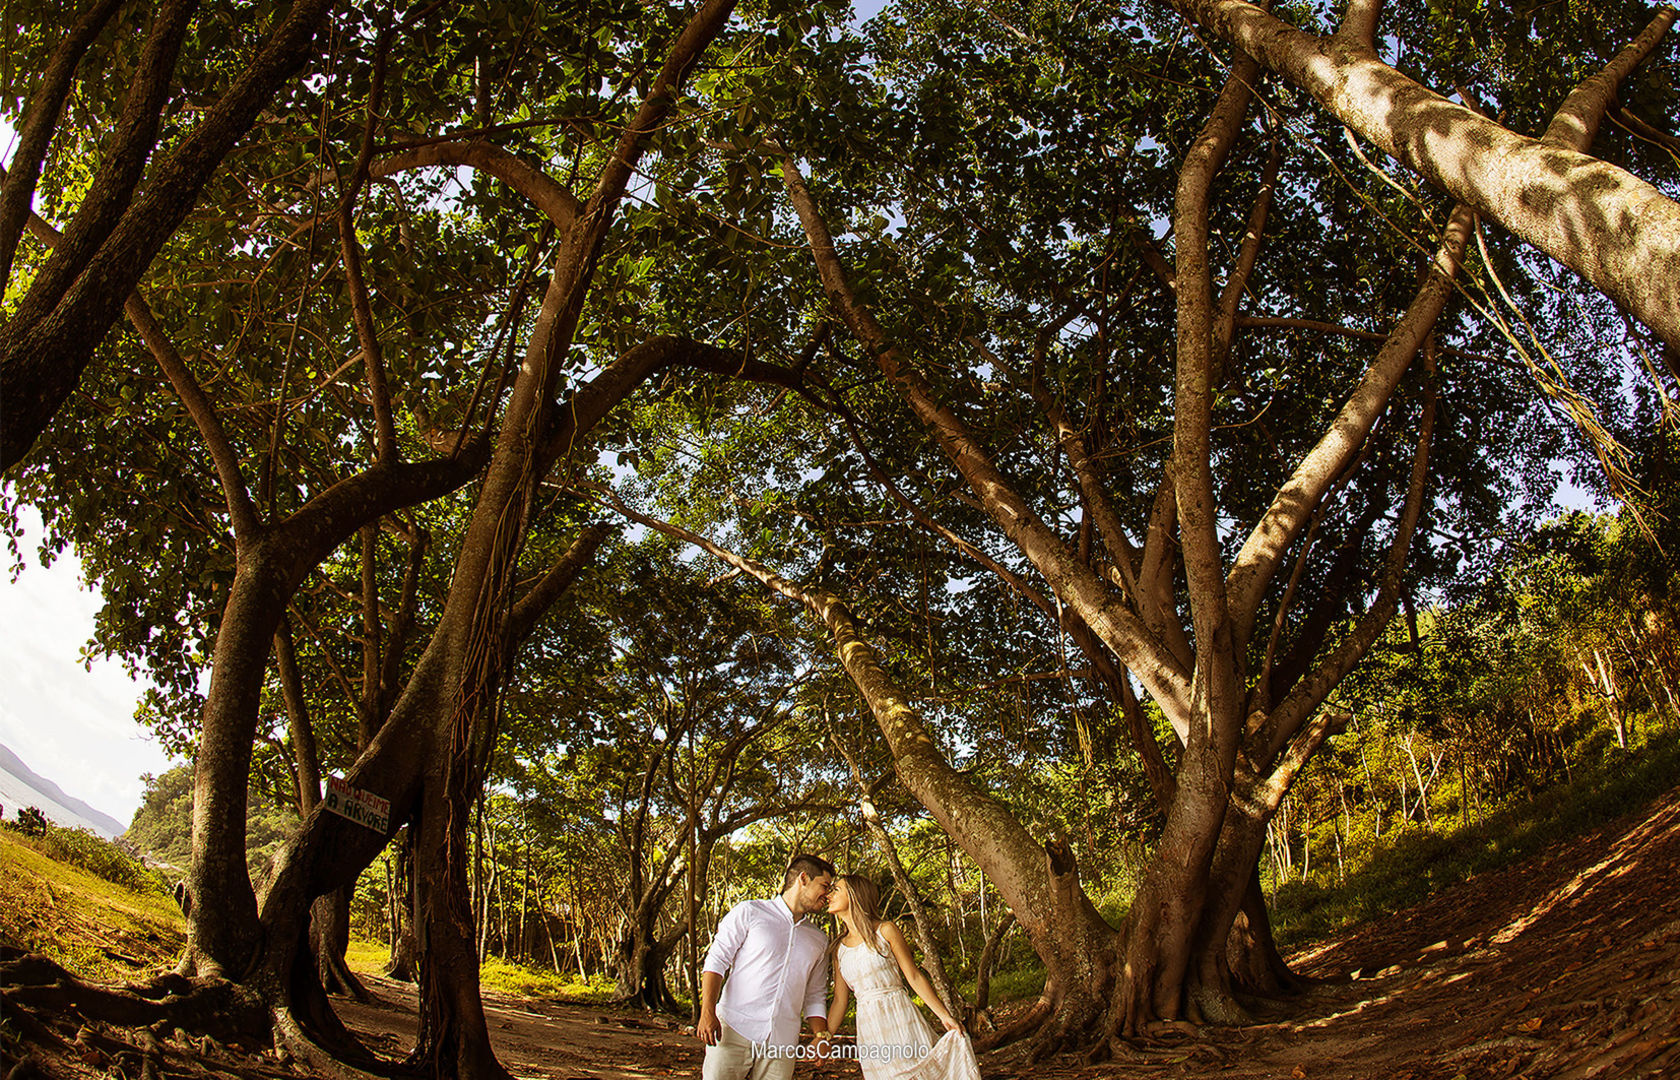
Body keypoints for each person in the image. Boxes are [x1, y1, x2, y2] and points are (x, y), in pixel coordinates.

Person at [825, 874, 980, 1080]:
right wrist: (824, 1036)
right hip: (870, 1029)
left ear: (855, 895)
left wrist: (944, 1016)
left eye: (836, 890)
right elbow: (839, 1000)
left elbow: (914, 976)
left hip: (900, 1016)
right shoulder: (839, 950)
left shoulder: (885, 930)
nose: (829, 894)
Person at [698, 853, 836, 1080]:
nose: (827, 894)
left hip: (782, 1043)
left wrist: (821, 1035)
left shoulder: (819, 940)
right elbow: (716, 960)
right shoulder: (750, 912)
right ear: (803, 879)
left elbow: (815, 995)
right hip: (732, 1030)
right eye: (824, 885)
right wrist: (707, 1012)